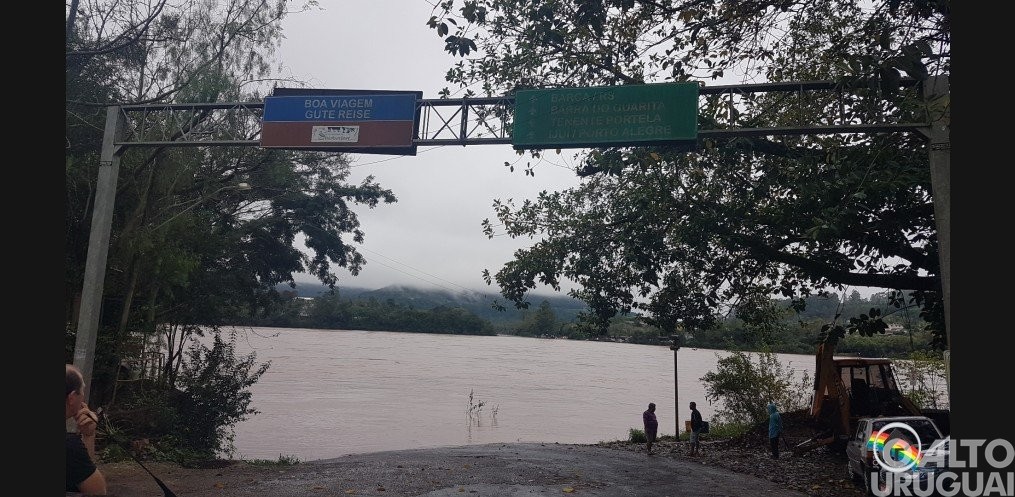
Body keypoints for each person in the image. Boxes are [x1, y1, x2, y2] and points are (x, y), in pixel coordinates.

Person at [67, 364, 107, 495]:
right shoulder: (70, 447)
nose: (83, 397)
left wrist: (88, 434)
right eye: (82, 390)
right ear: (72, 398)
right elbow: (98, 493)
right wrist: (89, 436)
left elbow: (81, 473)